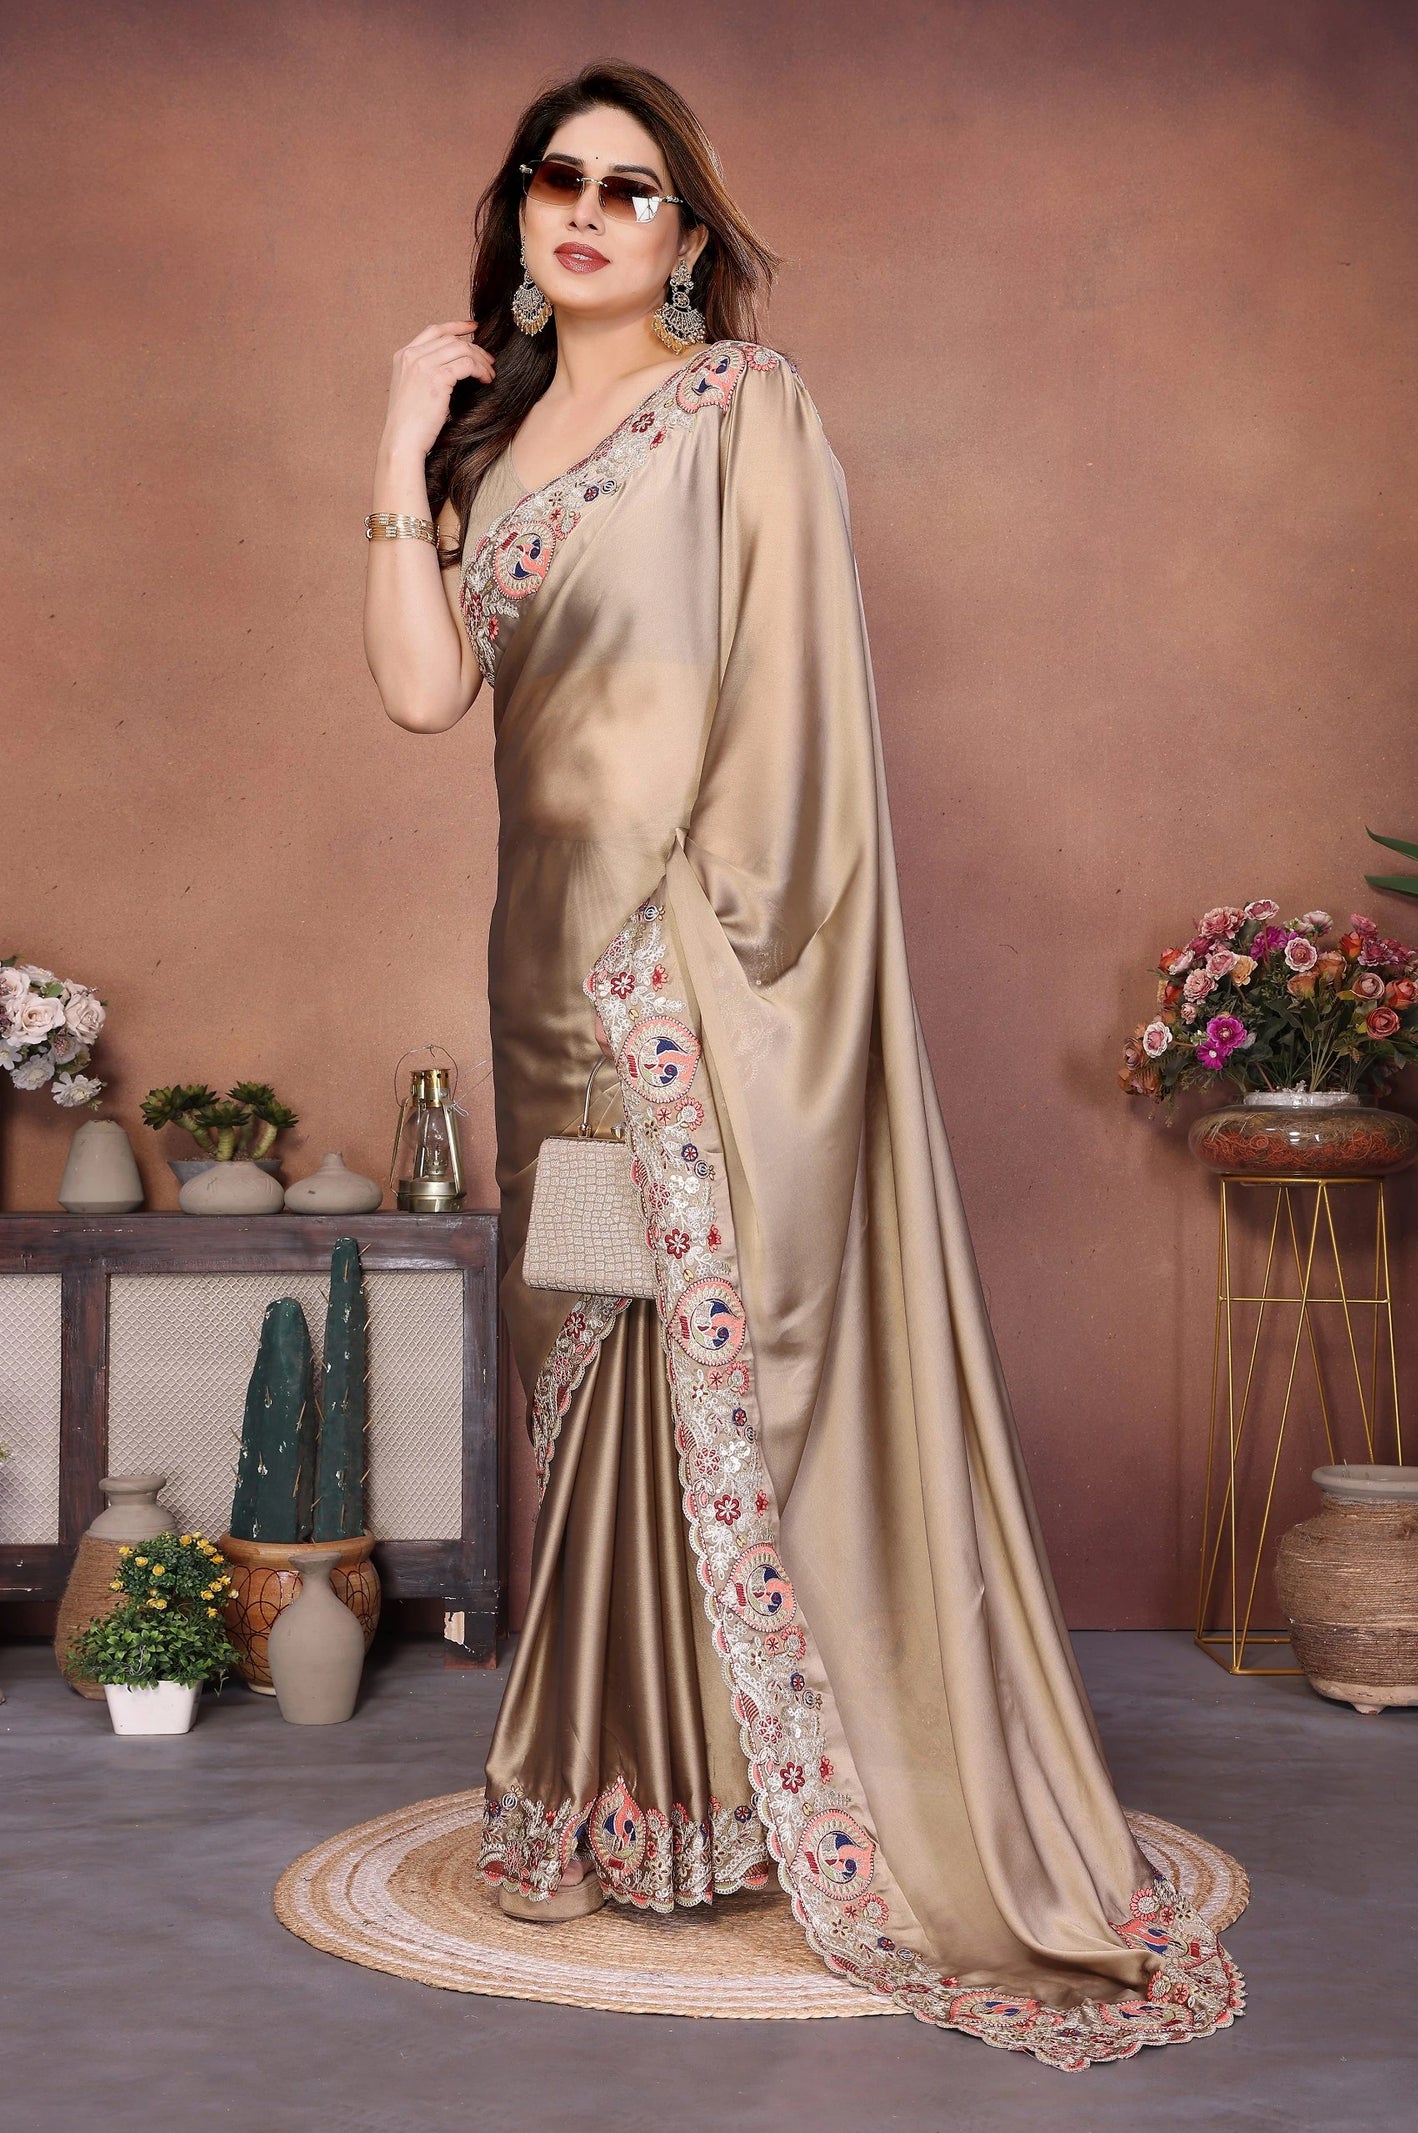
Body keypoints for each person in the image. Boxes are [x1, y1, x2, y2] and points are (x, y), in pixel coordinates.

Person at [363, 59, 1242, 2075]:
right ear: (515, 213)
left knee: (706, 1347)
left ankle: (771, 1798)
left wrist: (699, 961)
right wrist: (394, 445)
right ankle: (639, 1795)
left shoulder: (738, 411)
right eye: (554, 179)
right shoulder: (489, 444)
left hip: (683, 982)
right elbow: (424, 695)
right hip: (538, 980)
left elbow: (792, 720)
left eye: (631, 189)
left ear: (681, 238)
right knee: (594, 1371)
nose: (584, 210)